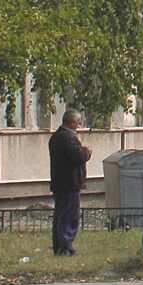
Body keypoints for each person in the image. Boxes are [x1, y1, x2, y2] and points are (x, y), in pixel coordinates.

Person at [47, 109, 91, 255]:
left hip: (60, 182)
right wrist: (87, 151)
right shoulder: (68, 137)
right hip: (69, 183)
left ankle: (59, 246)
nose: (79, 125)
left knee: (60, 215)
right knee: (69, 216)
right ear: (72, 122)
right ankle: (65, 246)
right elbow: (78, 156)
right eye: (78, 122)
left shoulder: (56, 136)